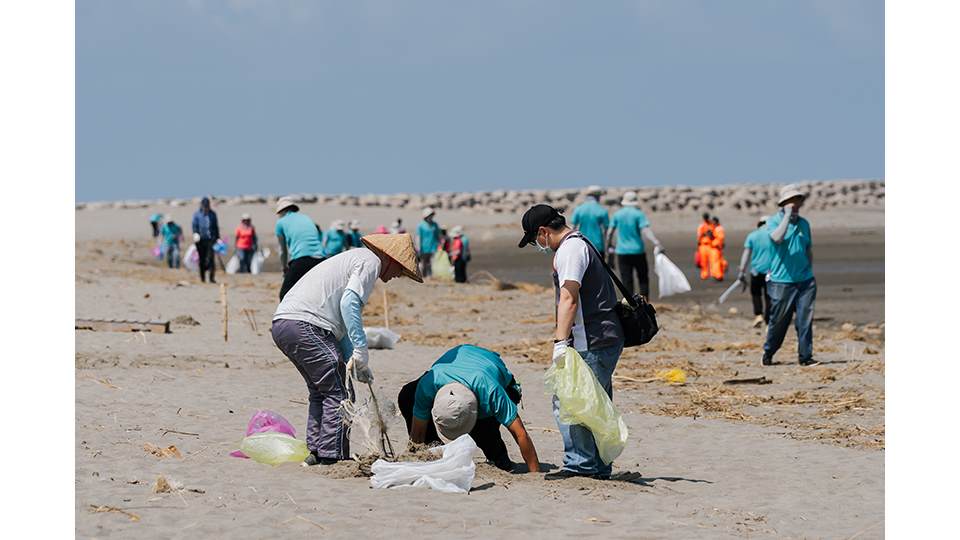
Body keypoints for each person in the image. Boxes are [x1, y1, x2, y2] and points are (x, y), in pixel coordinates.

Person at [272, 233, 424, 465]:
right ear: (391, 259)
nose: (397, 276)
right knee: (340, 394)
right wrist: (362, 349)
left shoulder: (357, 258)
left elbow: (341, 325)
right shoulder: (370, 261)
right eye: (400, 269)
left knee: (321, 390)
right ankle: (333, 457)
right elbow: (349, 303)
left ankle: (315, 451)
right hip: (305, 324)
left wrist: (354, 358)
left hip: (284, 324)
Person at [518, 204, 625, 479]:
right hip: (603, 336)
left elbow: (569, 297)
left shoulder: (569, 250)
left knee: (570, 401)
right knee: (595, 402)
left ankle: (581, 465)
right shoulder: (582, 242)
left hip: (590, 338)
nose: (537, 245)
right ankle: (598, 466)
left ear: (543, 231)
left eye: (534, 240)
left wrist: (560, 343)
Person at [399, 344, 540, 473]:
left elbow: (521, 434)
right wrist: (415, 456)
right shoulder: (428, 385)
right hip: (454, 368)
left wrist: (535, 473)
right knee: (407, 396)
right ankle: (434, 450)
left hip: (494, 377)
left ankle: (500, 459)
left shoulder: (491, 391)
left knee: (482, 432)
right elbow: (417, 436)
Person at [762, 184, 818, 367]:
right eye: (790, 202)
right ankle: (769, 352)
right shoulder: (773, 221)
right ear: (783, 204)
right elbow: (777, 238)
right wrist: (787, 216)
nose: (794, 205)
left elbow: (808, 249)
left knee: (805, 320)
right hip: (781, 282)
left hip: (805, 282)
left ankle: (805, 357)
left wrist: (809, 270)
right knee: (778, 322)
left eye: (797, 201)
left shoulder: (804, 224)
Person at [605, 191, 664, 298]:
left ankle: (630, 306)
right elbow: (646, 230)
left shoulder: (617, 214)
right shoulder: (638, 214)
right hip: (638, 251)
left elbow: (610, 232)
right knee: (643, 279)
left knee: (626, 280)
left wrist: (608, 246)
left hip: (622, 252)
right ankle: (645, 303)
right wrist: (657, 243)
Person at [275, 196, 326, 300]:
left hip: (302, 259)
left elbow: (282, 251)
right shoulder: (306, 218)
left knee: (284, 295)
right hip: (321, 259)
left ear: (281, 211)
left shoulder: (280, 223)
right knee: (312, 295)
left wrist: (284, 267)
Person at [738, 217, 775, 328]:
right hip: (771, 271)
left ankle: (758, 315)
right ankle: (769, 320)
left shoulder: (752, 235)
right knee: (769, 296)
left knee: (756, 294)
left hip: (756, 271)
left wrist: (742, 271)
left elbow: (746, 254)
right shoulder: (774, 235)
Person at [570, 185, 610, 252]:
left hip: (582, 244)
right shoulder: (602, 210)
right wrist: (607, 246)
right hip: (598, 245)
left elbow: (573, 228)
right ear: (599, 196)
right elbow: (606, 231)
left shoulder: (579, 209)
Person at [191, 197, 220, 283]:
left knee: (210, 258)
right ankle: (202, 278)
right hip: (200, 240)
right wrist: (195, 233)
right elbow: (194, 225)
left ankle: (211, 278)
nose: (206, 207)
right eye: (204, 206)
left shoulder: (213, 214)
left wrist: (218, 238)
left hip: (211, 239)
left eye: (207, 206)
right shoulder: (197, 215)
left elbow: (215, 226)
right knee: (202, 259)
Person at [416, 208, 441, 278]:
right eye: (430, 215)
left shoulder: (435, 225)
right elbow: (418, 237)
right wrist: (418, 248)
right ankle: (423, 276)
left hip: (433, 247)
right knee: (423, 263)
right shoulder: (420, 225)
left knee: (431, 263)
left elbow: (438, 236)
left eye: (432, 215)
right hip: (423, 248)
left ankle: (430, 276)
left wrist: (440, 245)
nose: (431, 216)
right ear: (426, 216)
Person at [711, 216, 728, 280]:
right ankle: (716, 274)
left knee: (716, 262)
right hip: (714, 247)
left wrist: (719, 245)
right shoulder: (715, 228)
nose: (712, 223)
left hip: (717, 247)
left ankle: (719, 276)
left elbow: (720, 238)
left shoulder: (719, 228)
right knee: (717, 261)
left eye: (713, 221)